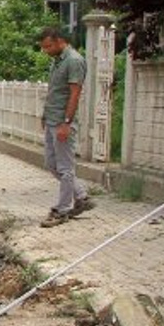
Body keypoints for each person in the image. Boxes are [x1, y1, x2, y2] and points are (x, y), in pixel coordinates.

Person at [38, 27, 94, 228]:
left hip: (63, 123)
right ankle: (81, 196)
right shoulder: (58, 61)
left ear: (60, 40)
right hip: (53, 120)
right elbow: (55, 91)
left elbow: (74, 94)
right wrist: (46, 115)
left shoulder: (74, 61)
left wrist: (67, 123)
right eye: (43, 47)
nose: (45, 50)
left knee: (65, 168)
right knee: (51, 164)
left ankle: (62, 210)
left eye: (48, 46)